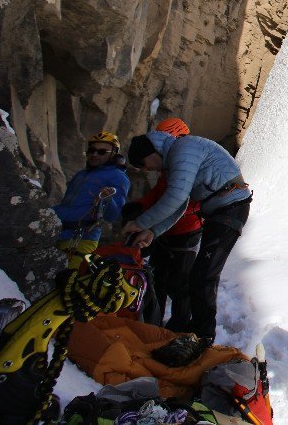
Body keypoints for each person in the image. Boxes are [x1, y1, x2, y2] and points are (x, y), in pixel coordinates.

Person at [121, 128, 252, 341]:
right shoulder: (177, 154)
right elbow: (181, 205)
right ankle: (197, 333)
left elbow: (175, 196)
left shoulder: (183, 149)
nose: (147, 169)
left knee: (203, 276)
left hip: (230, 208)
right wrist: (153, 231)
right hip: (223, 210)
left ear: (150, 152)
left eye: (144, 164)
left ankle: (203, 336)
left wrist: (140, 223)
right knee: (200, 276)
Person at [122, 117, 204, 331]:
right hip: (165, 230)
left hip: (185, 230)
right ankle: (153, 323)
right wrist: (140, 205)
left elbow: (182, 199)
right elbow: (160, 192)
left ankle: (179, 325)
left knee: (179, 283)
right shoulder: (171, 165)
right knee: (158, 278)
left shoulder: (187, 164)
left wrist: (147, 215)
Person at [52, 131, 130, 269]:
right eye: (92, 150)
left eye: (102, 152)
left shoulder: (118, 177)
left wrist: (107, 199)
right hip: (58, 232)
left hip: (81, 238)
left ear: (113, 154)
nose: (94, 154)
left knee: (68, 281)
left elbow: (113, 215)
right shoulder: (81, 174)